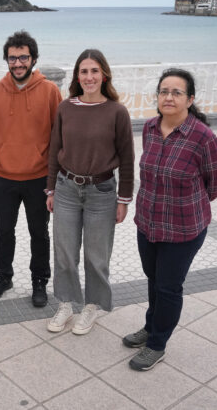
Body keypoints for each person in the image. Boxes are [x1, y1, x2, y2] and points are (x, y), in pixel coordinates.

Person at [124, 68, 217, 371]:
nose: (168, 97)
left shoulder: (203, 137)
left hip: (184, 230)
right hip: (148, 223)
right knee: (153, 279)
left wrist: (189, 204)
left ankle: (157, 344)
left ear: (190, 99)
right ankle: (151, 326)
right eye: (163, 91)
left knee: (169, 286)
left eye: (176, 92)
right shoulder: (150, 128)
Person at [46, 49, 134, 335]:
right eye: (83, 71)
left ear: (104, 74)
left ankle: (92, 307)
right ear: (77, 76)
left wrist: (124, 199)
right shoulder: (66, 108)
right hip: (67, 189)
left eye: (94, 71)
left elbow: (127, 158)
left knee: (97, 257)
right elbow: (54, 151)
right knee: (64, 253)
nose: (89, 77)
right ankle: (66, 305)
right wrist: (50, 189)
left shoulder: (116, 111)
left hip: (102, 192)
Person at [0, 30, 61, 307]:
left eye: (23, 58)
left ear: (33, 59)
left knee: (39, 233)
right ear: (6, 60)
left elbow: (58, 137)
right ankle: (4, 276)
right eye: (12, 58)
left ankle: (39, 281)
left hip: (38, 178)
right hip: (2, 178)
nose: (17, 63)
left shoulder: (50, 91)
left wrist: (53, 180)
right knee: (4, 230)